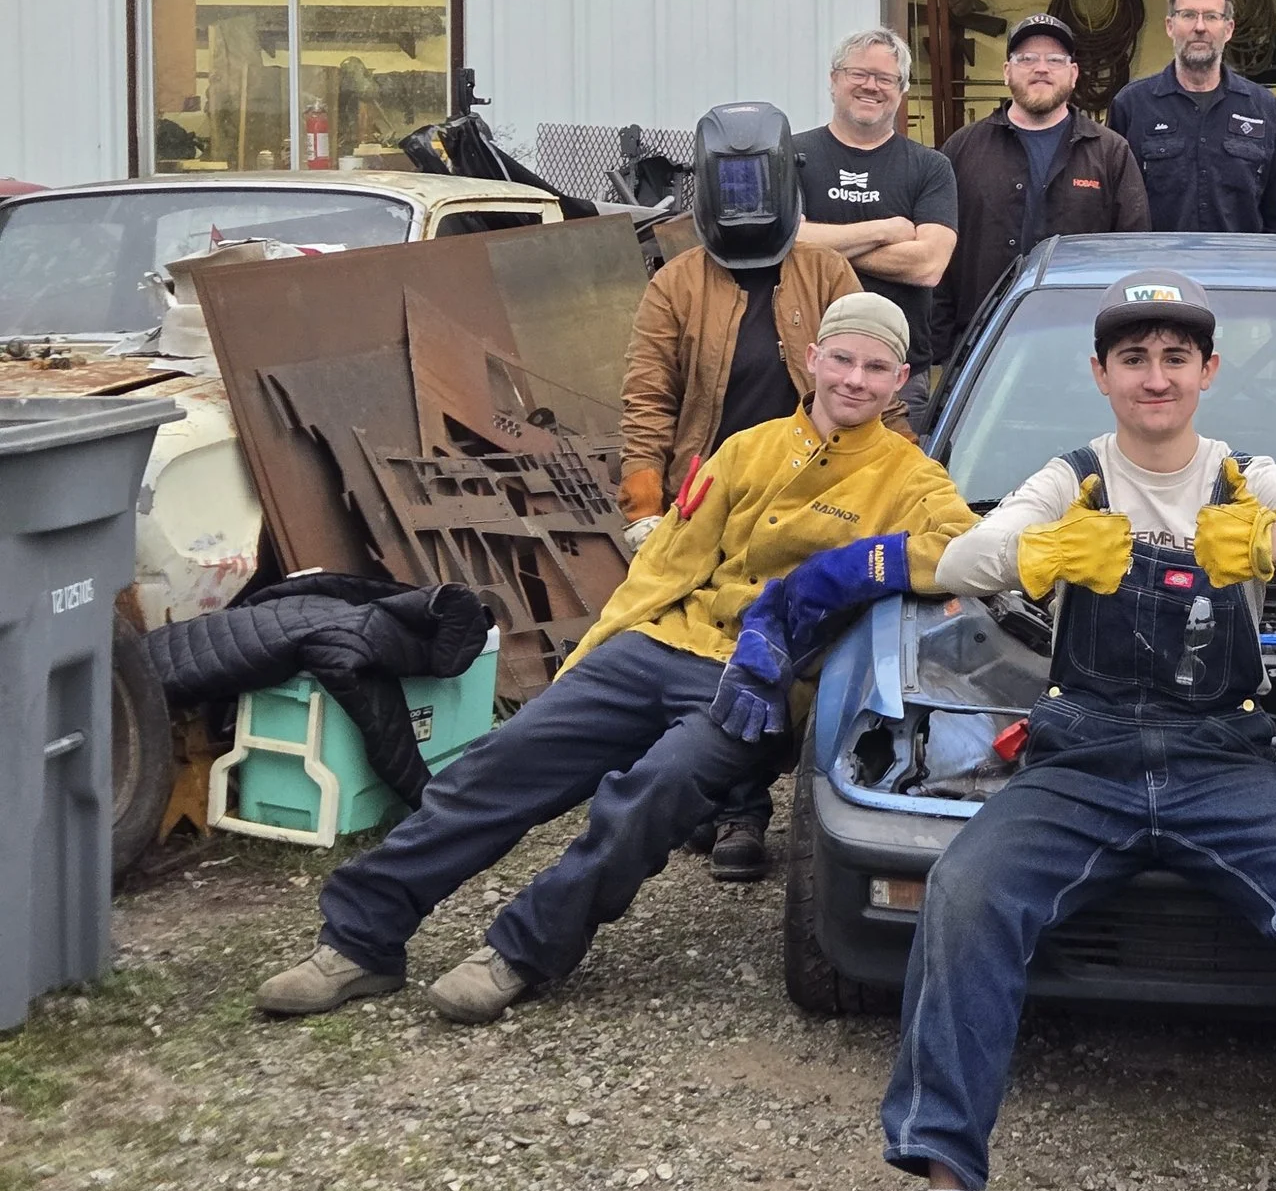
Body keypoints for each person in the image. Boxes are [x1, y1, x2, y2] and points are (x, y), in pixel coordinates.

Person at [254, 293, 977, 1025]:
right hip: (661, 641)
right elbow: (665, 563)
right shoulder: (746, 450)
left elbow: (965, 549)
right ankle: (360, 938)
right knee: (504, 760)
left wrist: (854, 572)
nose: (855, 378)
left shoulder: (912, 479)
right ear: (814, 358)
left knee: (650, 796)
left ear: (900, 379)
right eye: (843, 358)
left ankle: (522, 949)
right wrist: (599, 651)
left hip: (751, 683)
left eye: (876, 366)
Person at [882, 269, 1276, 1191]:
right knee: (965, 888)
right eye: (1134, 358)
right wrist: (1039, 551)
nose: (1154, 377)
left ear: (1209, 370)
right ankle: (949, 1179)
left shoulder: (1250, 476)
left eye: (1175, 358)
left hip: (1222, 760)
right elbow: (960, 560)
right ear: (1101, 373)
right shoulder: (1070, 478)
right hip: (1081, 761)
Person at [617, 100, 901, 880]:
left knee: (786, 643)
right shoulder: (675, 285)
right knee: (713, 645)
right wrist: (644, 508)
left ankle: (771, 794)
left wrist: (900, 479)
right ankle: (733, 806)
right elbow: (647, 401)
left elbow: (874, 372)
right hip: (712, 496)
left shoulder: (825, 270)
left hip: (815, 494)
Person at [931, 12, 1152, 363]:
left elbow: (1132, 258)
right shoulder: (962, 149)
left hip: (1081, 345)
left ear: (1073, 73)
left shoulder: (1110, 153)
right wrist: (940, 354)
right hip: (979, 349)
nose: (1041, 68)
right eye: (1027, 59)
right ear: (1007, 71)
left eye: (1054, 60)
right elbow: (938, 258)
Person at [793, 26, 959, 420]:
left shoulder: (930, 168)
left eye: (886, 79)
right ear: (834, 80)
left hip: (899, 375)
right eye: (859, 74)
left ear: (901, 91)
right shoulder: (793, 156)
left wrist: (817, 244)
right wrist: (886, 230)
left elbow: (928, 265)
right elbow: (782, 240)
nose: (872, 86)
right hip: (801, 368)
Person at [1108, 0, 1276, 234]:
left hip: (1238, 272)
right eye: (1188, 15)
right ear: (1170, 26)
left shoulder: (1264, 109)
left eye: (1211, 16)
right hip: (1157, 271)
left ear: (1228, 29)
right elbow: (1112, 211)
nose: (1200, 27)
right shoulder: (1131, 106)